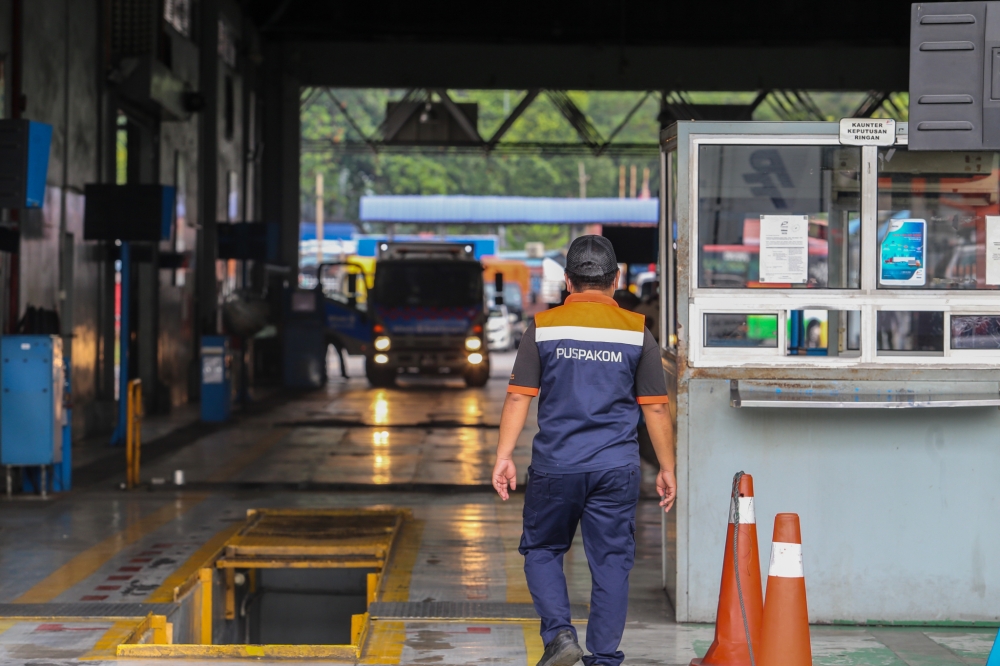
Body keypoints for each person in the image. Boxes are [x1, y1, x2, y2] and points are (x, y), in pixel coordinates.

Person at [492, 235, 677, 666]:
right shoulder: (637, 331)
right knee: (611, 561)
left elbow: (519, 397)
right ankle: (605, 659)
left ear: (569, 283)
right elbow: (656, 409)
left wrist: (504, 456)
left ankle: (559, 635)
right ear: (615, 280)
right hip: (616, 466)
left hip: (557, 464)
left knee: (542, 550)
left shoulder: (544, 326)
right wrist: (666, 467)